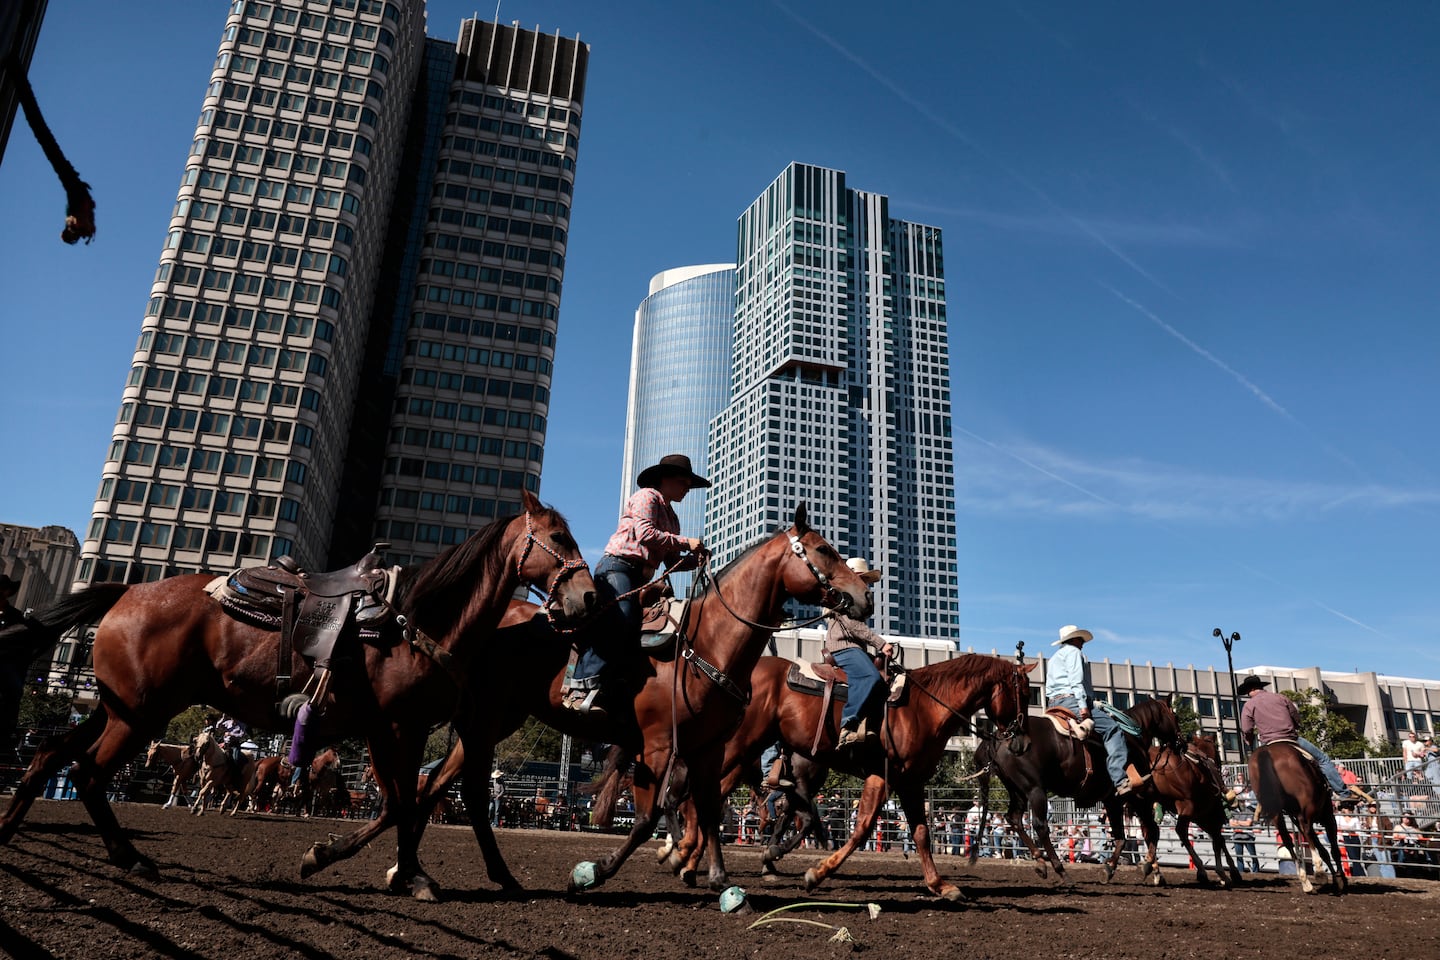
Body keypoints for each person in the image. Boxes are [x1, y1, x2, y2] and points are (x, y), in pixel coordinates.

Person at [564, 454, 710, 717]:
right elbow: (646, 534)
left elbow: (671, 561)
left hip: (642, 578)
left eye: (689, 484)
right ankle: (580, 685)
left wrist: (694, 559)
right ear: (664, 479)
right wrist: (686, 542)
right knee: (624, 617)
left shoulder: (672, 518)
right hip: (618, 567)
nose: (687, 488)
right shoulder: (647, 497)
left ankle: (620, 682)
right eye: (682, 482)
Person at [1044, 624, 1133, 796]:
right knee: (1112, 729)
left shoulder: (1055, 657)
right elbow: (1076, 682)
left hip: (1054, 704)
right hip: (1072, 701)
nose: (1083, 643)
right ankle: (1120, 779)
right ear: (1075, 639)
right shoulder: (1075, 653)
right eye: (1081, 639)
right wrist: (1083, 706)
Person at [1236, 675, 1352, 797]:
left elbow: (1246, 729)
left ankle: (1258, 798)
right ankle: (1343, 793)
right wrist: (1295, 727)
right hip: (1291, 739)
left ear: (1252, 689)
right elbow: (1295, 716)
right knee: (1323, 760)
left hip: (1269, 742)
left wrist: (1248, 740)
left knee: (1258, 771)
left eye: (1248, 692)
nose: (1248, 694)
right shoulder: (1281, 697)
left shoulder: (1249, 705)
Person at [823, 558, 889, 747]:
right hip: (842, 647)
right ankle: (848, 725)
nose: (865, 584)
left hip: (855, 648)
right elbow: (853, 626)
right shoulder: (842, 596)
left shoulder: (852, 598)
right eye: (863, 579)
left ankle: (869, 726)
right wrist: (881, 643)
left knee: (884, 681)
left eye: (866, 581)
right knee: (870, 676)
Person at [1229, 787, 1261, 873]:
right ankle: (1241, 871)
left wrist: (1238, 822)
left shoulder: (1249, 810)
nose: (1241, 803)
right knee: (1239, 857)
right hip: (1237, 836)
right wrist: (1241, 823)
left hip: (1247, 836)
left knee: (1253, 855)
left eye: (1242, 801)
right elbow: (1231, 823)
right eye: (1240, 801)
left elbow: (1248, 823)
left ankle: (1256, 871)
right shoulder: (1234, 811)